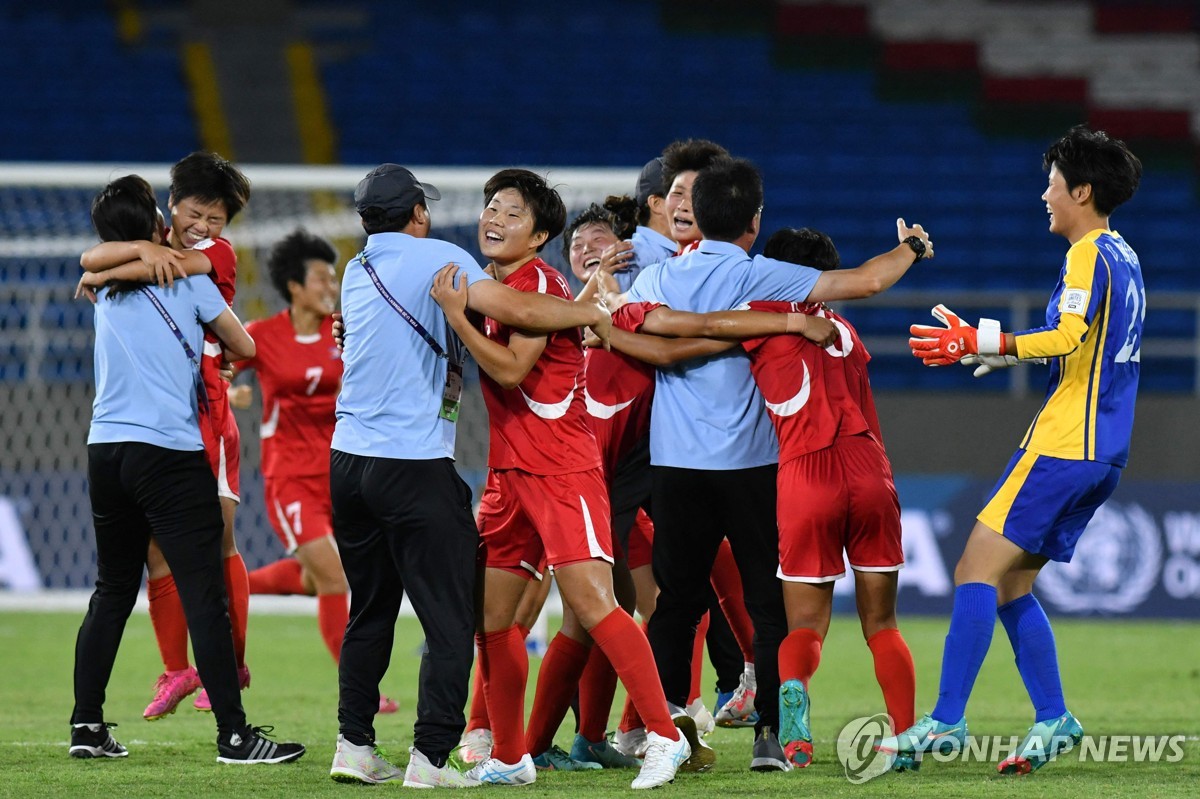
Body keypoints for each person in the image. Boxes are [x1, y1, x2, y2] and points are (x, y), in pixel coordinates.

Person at [620, 155, 934, 771]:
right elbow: (865, 282)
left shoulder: (655, 280)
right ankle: (773, 734)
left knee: (676, 606)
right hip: (778, 465)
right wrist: (913, 249)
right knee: (776, 607)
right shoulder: (775, 283)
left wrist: (618, 322)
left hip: (685, 467)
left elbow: (647, 336)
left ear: (697, 215)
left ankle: (662, 731)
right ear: (753, 221)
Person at [327, 164, 616, 787]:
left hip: (347, 462)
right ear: (418, 215)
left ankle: (353, 746)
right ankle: (431, 759)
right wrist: (587, 306)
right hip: (413, 465)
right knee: (454, 619)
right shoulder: (440, 258)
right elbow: (518, 309)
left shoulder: (355, 270)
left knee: (369, 610)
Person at [877, 125, 1143, 775]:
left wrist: (988, 341)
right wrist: (988, 350)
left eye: (1053, 182)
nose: (1044, 193)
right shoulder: (1125, 256)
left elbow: (1067, 334)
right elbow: (1092, 348)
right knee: (1011, 583)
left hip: (1063, 445)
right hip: (1104, 451)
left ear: (1081, 190)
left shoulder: (1087, 253)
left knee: (973, 569)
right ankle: (1053, 717)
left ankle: (944, 720)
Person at [429, 168, 690, 790]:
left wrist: (457, 318)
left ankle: (665, 736)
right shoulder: (492, 286)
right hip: (508, 474)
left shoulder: (539, 285)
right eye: (491, 207)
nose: (494, 219)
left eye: (512, 213)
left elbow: (515, 370)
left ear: (540, 234)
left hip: (562, 468)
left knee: (596, 605)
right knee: (494, 624)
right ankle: (512, 755)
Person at [70, 175, 304, 765]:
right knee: (204, 593)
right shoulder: (191, 280)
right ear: (156, 223)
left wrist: (119, 262)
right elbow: (245, 346)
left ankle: (87, 726)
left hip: (105, 451)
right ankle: (234, 735)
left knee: (112, 591)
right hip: (168, 454)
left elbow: (93, 263)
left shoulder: (102, 288)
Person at [80, 152, 255, 718]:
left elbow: (110, 264)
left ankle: (232, 662)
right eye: (197, 214)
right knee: (158, 553)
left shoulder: (207, 258)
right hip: (175, 417)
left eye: (216, 221)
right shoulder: (165, 249)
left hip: (205, 416)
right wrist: (136, 252)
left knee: (216, 545)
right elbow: (90, 254)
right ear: (170, 206)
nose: (204, 228)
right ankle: (177, 669)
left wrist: (107, 271)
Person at [224, 230, 400, 716]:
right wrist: (228, 394)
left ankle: (232, 583)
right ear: (295, 286)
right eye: (321, 277)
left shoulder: (346, 332)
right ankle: (359, 689)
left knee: (319, 576)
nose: (330, 286)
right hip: (290, 478)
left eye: (333, 277)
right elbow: (215, 370)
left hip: (345, 475)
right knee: (334, 576)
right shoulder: (261, 335)